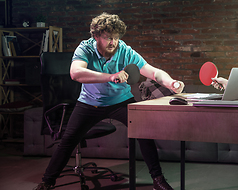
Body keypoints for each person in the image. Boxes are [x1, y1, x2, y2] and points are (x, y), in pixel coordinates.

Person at [34, 12, 185, 190]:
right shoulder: (85, 49)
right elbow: (75, 73)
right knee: (68, 140)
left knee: (144, 133)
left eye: (116, 38)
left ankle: (158, 181)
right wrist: (110, 76)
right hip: (89, 102)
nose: (113, 43)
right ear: (96, 36)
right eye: (107, 38)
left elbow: (153, 72)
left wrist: (171, 82)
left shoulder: (125, 51)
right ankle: (47, 182)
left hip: (120, 101)